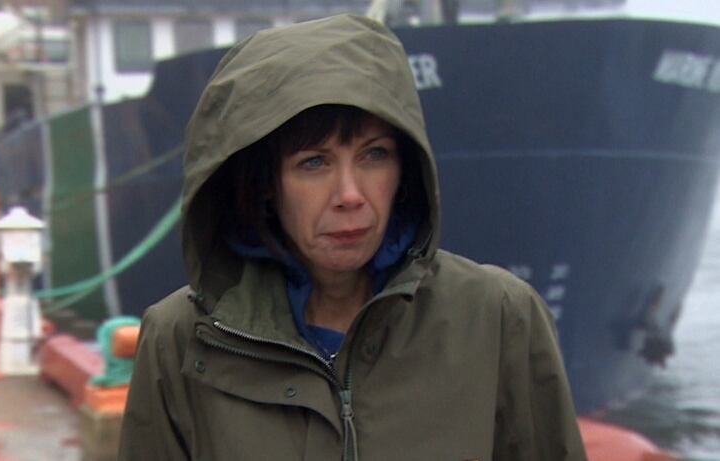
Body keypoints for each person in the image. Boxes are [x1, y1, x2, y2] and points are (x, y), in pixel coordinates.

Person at [118, 14, 588, 461]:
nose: (350, 195)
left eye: (374, 154)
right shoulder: (179, 340)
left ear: (405, 169)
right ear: (264, 185)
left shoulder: (500, 318)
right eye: (314, 162)